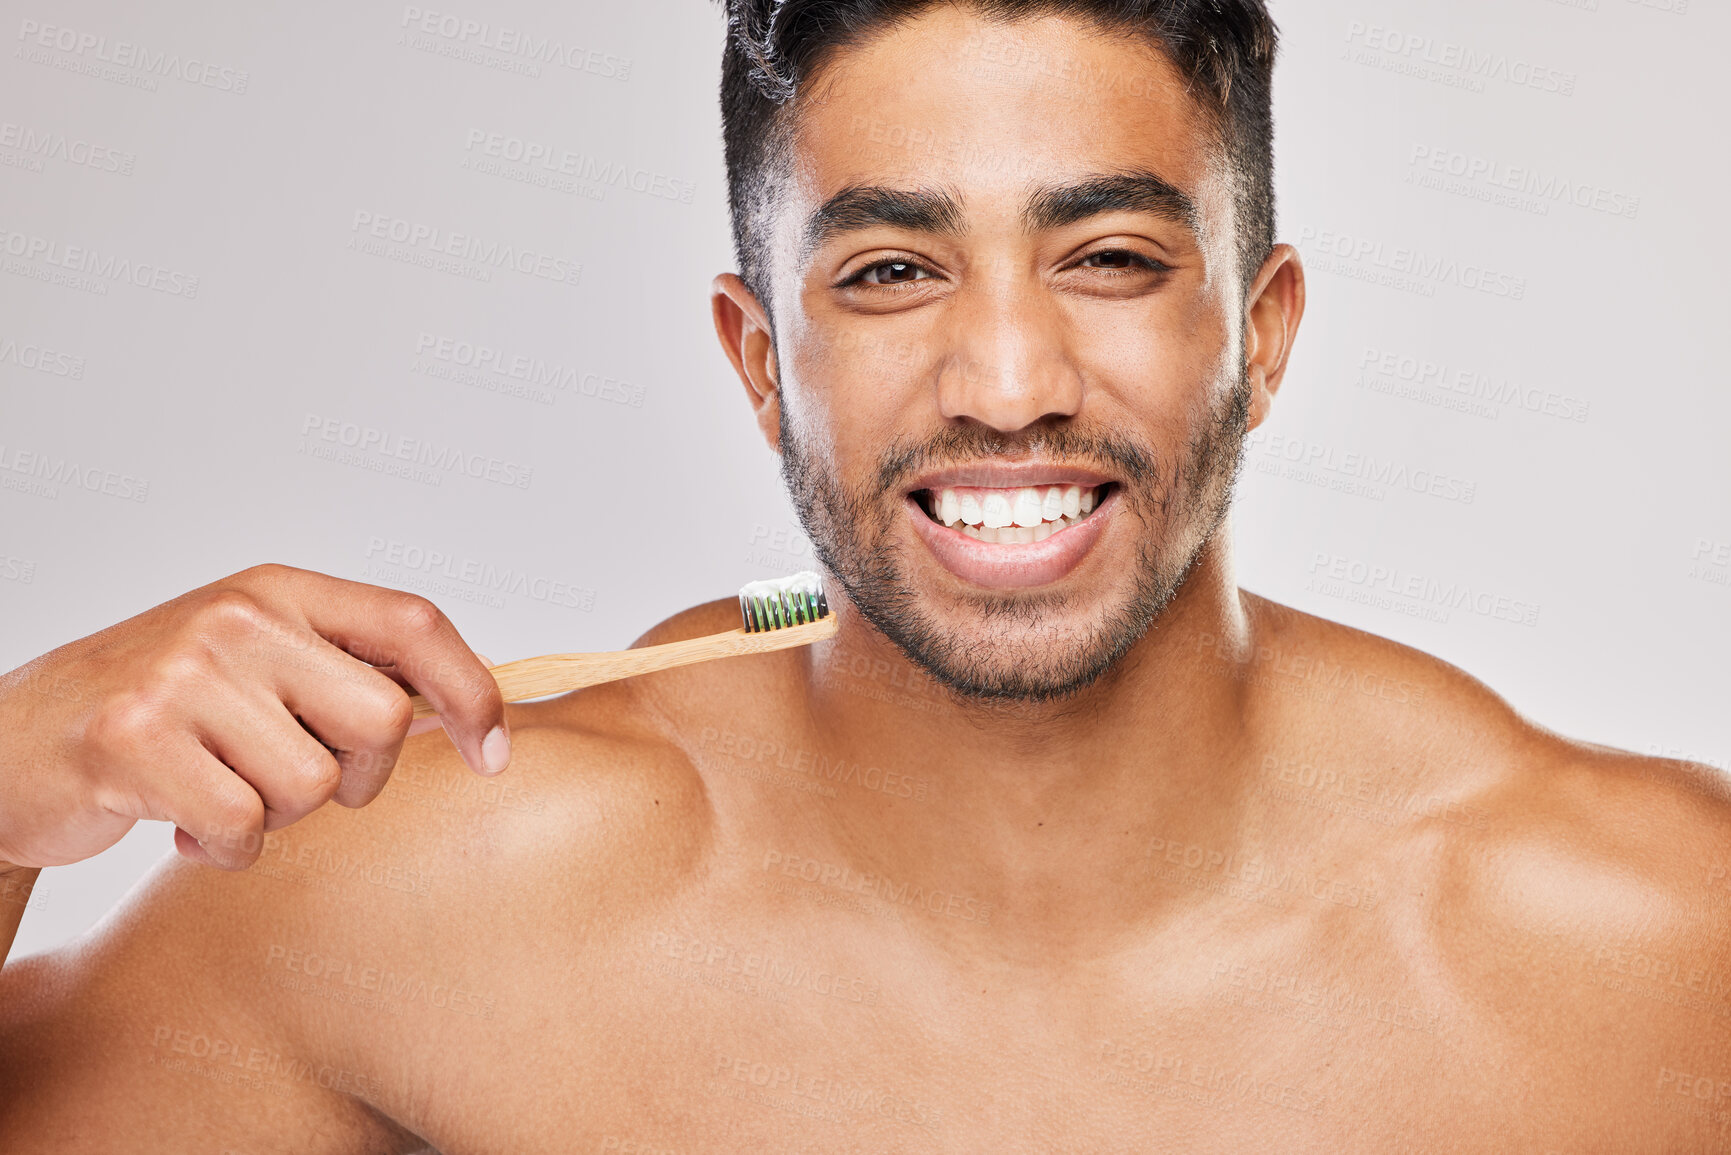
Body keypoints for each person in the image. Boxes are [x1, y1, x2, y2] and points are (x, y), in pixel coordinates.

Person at [3, 1, 1727, 1150]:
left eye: (1111, 256)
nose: (1004, 379)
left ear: (1258, 336)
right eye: (894, 269)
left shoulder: (1643, 945)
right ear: (761, 360)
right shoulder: (416, 899)